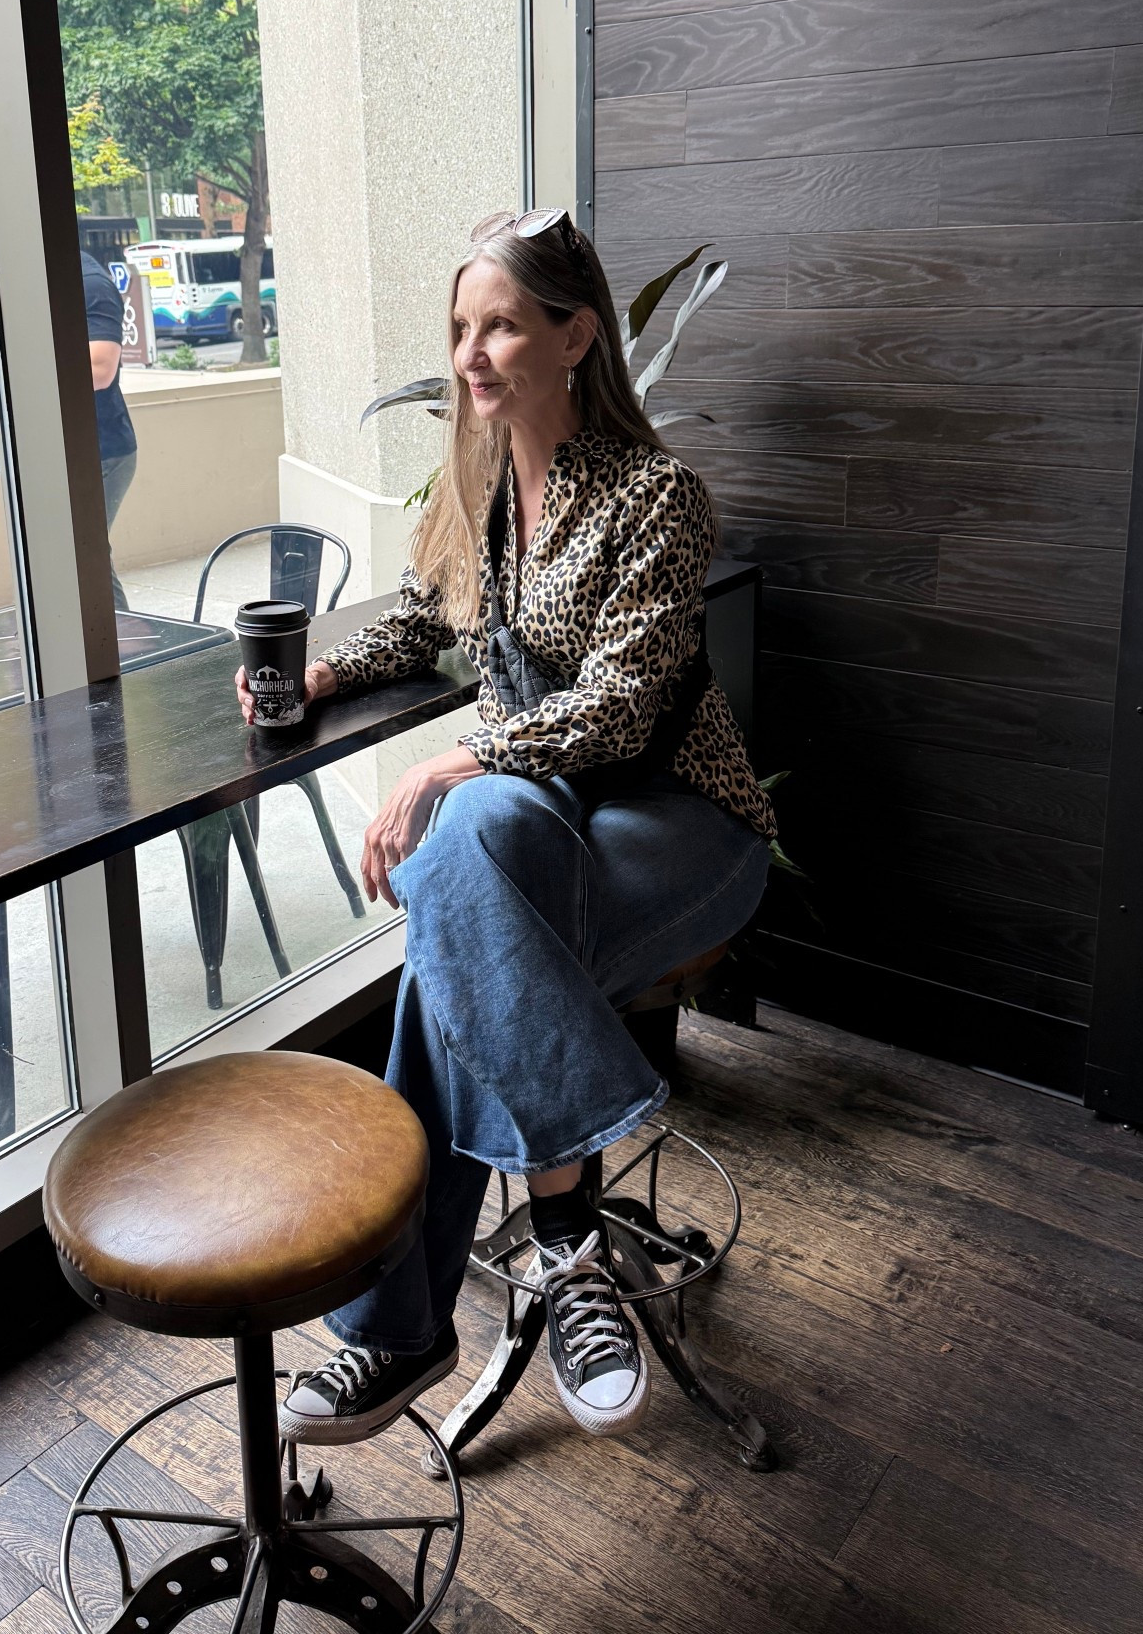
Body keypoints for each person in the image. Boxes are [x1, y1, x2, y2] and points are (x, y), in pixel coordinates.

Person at [236, 208, 777, 1446]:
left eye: (502, 326)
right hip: (542, 813)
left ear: (576, 334)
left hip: (680, 822)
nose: (472, 353)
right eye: (461, 327)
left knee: (452, 911)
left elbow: (623, 702)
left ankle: (403, 1327)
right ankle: (570, 1241)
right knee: (474, 853)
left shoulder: (659, 495)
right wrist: (319, 675)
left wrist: (452, 755)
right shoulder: (481, 489)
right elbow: (424, 616)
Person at [0, 251, 137, 608]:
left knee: (81, 554)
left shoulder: (89, 284)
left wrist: (11, 382)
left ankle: (125, 649)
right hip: (45, 447)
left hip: (97, 449)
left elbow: (100, 370)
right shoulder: (21, 286)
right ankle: (114, 646)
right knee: (70, 555)